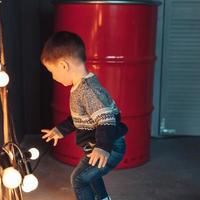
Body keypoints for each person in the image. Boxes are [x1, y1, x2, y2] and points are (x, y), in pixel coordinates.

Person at [40, 31, 128, 200]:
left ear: (63, 66)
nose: (53, 76)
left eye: (51, 71)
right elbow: (80, 117)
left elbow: (106, 119)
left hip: (110, 146)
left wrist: (102, 147)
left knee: (79, 179)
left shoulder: (87, 90)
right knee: (91, 176)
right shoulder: (80, 88)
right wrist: (60, 130)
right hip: (100, 145)